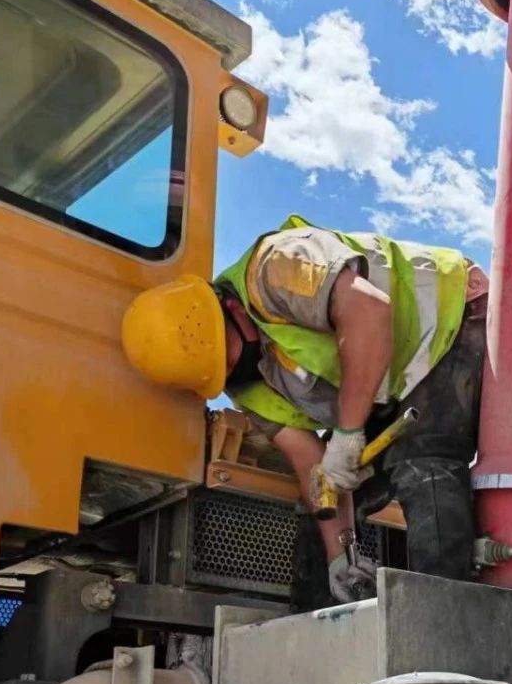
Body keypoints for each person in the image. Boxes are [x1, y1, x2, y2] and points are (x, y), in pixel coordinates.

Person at [122, 215, 487, 604]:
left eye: (226, 352)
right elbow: (309, 460)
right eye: (219, 370)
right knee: (319, 503)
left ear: (229, 307)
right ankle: (323, 612)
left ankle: (445, 614)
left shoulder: (277, 265)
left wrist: (348, 432)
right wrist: (338, 556)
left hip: (448, 319)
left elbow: (369, 311)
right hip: (388, 385)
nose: (231, 368)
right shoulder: (244, 384)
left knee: (421, 459)